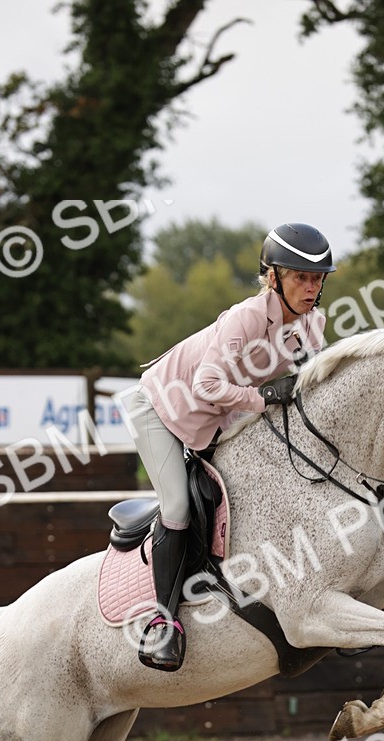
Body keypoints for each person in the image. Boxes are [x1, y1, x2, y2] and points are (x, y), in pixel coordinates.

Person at [123, 222, 336, 671]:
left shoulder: (313, 323)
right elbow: (206, 384)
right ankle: (163, 624)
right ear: (273, 277)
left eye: (317, 279)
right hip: (161, 409)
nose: (311, 288)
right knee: (178, 505)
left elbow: (311, 386)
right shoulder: (247, 317)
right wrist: (263, 398)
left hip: (220, 417)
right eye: (301, 277)